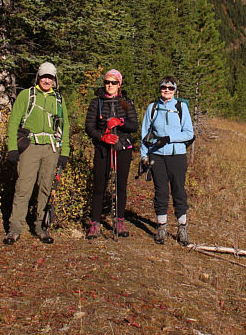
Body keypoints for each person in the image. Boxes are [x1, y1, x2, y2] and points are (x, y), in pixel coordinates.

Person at [4, 62, 69, 244]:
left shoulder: (59, 99)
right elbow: (14, 122)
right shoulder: (27, 95)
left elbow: (65, 127)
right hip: (30, 147)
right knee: (23, 187)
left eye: (50, 77)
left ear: (55, 80)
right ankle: (15, 228)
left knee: (45, 187)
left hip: (51, 148)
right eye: (44, 76)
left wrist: (65, 152)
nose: (47, 80)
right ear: (38, 77)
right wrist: (12, 148)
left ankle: (41, 226)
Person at [83, 69, 139, 239]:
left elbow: (134, 125)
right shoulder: (96, 103)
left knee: (121, 186)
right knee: (100, 185)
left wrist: (120, 122)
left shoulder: (126, 103)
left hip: (123, 148)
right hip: (103, 149)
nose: (110, 85)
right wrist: (102, 137)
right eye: (107, 82)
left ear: (119, 84)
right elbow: (89, 127)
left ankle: (120, 221)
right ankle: (94, 224)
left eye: (114, 82)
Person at [140, 76, 195, 246]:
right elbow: (145, 134)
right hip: (157, 155)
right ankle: (161, 227)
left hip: (177, 155)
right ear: (160, 89)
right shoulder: (153, 108)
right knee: (161, 192)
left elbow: (189, 133)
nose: (167, 91)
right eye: (164, 87)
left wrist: (169, 138)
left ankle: (182, 227)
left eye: (170, 88)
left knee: (179, 190)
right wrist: (144, 156)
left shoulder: (181, 107)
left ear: (175, 90)